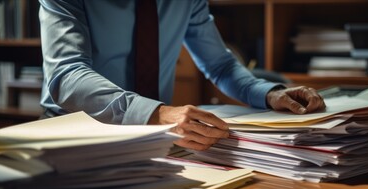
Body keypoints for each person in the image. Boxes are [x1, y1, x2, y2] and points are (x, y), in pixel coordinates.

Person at [38, 0, 326, 151]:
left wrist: (267, 93)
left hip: (155, 139)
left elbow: (220, 65)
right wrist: (155, 114)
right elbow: (66, 75)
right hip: (75, 136)